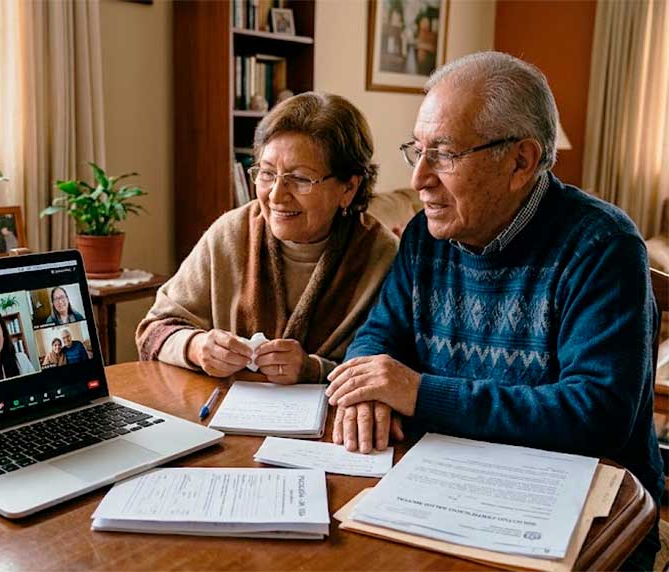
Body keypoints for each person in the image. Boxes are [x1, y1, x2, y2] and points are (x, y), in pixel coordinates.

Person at [324, 51, 664, 570]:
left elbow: (594, 416)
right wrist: (366, 393)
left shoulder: (603, 246)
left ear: (521, 162)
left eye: (444, 154)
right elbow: (378, 336)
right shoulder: (424, 236)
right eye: (417, 150)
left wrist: (416, 393)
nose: (419, 179)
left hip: (581, 518)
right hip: (446, 490)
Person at [136, 92, 398, 384]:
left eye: (299, 179)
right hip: (222, 415)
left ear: (348, 187)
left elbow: (393, 368)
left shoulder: (383, 256)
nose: (275, 195)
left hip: (334, 425)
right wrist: (196, 347)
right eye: (266, 173)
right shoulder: (230, 234)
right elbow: (154, 329)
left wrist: (313, 369)